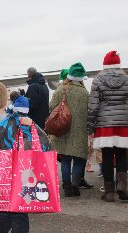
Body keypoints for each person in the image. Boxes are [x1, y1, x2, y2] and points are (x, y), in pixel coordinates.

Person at [0, 80, 50, 233]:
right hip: (16, 182)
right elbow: (33, 147)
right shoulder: (12, 125)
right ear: (5, 100)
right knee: (19, 220)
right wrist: (27, 129)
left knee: (3, 217)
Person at [88, 51, 128, 202]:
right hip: (123, 122)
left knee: (107, 157)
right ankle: (123, 187)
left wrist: (90, 126)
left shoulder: (98, 80)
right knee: (123, 154)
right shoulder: (126, 78)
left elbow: (93, 106)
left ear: (105, 64)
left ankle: (109, 192)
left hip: (104, 123)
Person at [50, 63, 89, 197]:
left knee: (65, 159)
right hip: (80, 131)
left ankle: (67, 188)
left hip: (63, 129)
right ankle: (75, 185)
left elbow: (52, 107)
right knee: (78, 159)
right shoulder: (85, 93)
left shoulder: (61, 89)